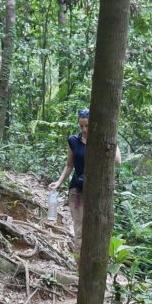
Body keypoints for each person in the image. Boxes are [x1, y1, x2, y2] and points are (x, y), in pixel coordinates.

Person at [48, 108, 121, 252]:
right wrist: (59, 182)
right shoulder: (73, 141)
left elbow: (118, 161)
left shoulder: (101, 141)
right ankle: (79, 267)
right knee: (80, 229)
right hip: (77, 191)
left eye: (87, 125)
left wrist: (111, 136)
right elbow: (69, 165)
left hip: (96, 192)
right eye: (81, 126)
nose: (84, 129)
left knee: (96, 229)